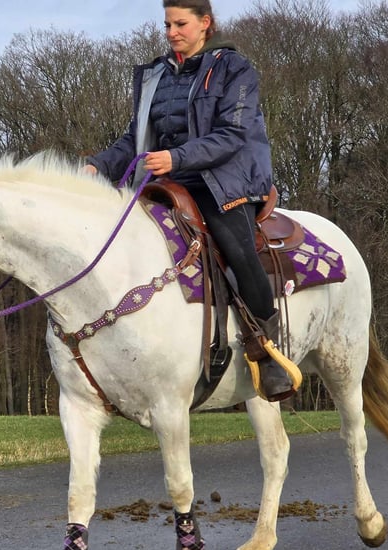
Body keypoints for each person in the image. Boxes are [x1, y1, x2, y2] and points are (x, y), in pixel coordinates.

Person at [83, 0, 295, 402]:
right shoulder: (155, 76)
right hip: (166, 181)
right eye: (167, 24)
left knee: (236, 247)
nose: (171, 32)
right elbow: (135, 139)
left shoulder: (236, 70)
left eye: (180, 24)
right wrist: (99, 166)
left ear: (205, 24)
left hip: (224, 182)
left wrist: (176, 157)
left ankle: (268, 352)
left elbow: (232, 134)